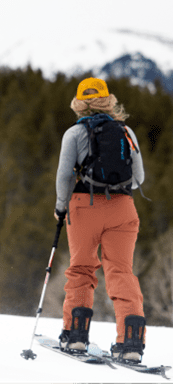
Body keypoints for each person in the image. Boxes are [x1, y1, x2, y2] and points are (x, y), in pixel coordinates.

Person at [54, 77, 147, 362]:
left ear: (79, 103)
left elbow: (65, 175)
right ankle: (131, 343)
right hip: (123, 207)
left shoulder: (74, 133)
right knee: (121, 272)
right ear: (108, 100)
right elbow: (139, 178)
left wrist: (61, 207)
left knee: (82, 269)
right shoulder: (126, 131)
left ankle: (76, 336)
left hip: (85, 206)